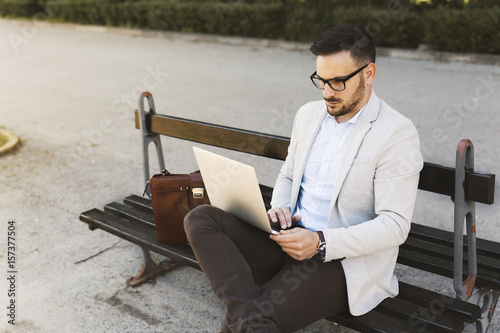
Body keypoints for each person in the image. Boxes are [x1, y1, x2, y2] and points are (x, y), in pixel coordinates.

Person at [184, 23, 423, 333]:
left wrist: (320, 242)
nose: (327, 93)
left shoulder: (395, 133)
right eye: (320, 80)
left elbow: (395, 225)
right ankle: (248, 313)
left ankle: (249, 316)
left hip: (338, 262)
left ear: (369, 73)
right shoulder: (308, 115)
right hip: (286, 238)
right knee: (201, 219)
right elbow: (289, 174)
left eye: (338, 82)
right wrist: (280, 207)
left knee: (256, 318)